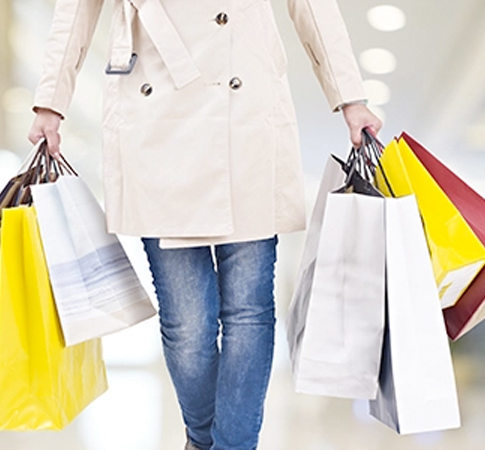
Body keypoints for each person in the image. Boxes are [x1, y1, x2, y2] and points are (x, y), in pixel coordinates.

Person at [28, 0, 381, 448]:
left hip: (245, 114)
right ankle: (201, 438)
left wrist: (350, 96)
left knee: (249, 311)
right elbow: (75, 8)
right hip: (155, 112)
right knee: (188, 324)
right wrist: (51, 103)